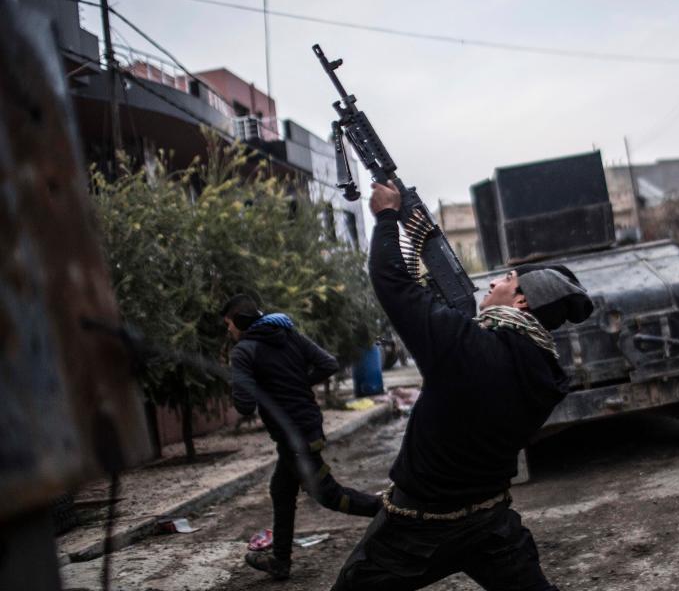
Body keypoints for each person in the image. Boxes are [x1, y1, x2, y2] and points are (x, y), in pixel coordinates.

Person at [331, 181, 593, 591]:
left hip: (414, 531)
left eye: (505, 280)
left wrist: (384, 217)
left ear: (521, 302)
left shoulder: (465, 348)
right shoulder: (544, 372)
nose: (492, 284)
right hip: (490, 523)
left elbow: (392, 284)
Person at [221, 294, 382, 580]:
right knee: (281, 490)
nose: (228, 332)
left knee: (330, 496)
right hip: (305, 428)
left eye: (229, 325)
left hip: (295, 437)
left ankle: (391, 512)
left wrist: (245, 382)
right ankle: (281, 562)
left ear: (242, 323)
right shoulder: (287, 333)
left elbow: (244, 405)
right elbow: (328, 363)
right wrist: (297, 383)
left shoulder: (244, 351)